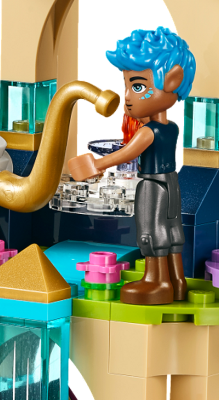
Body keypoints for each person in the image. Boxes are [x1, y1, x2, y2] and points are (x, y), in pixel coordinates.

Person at [65, 27, 197, 304]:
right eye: (126, 86)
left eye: (137, 87)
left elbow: (127, 153)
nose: (127, 96)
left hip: (152, 185)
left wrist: (97, 164)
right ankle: (177, 281)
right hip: (171, 183)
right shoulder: (170, 127)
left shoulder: (148, 131)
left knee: (151, 232)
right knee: (172, 231)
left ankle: (156, 282)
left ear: (172, 81)